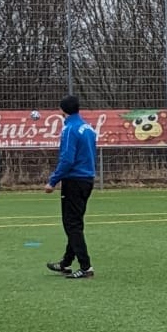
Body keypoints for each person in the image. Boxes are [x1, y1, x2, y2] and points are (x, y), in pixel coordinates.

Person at [45, 95, 98, 279]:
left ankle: (86, 266)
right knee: (76, 222)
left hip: (74, 181)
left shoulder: (69, 129)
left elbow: (67, 158)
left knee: (72, 224)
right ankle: (66, 262)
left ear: (63, 110)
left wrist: (53, 180)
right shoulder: (88, 128)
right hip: (87, 179)